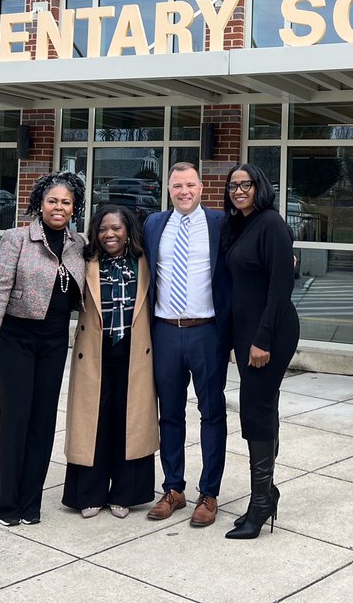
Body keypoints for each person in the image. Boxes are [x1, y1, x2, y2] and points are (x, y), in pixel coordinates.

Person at [0, 171, 86, 526]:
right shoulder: (17, 238)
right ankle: (8, 503)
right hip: (17, 339)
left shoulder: (78, 244)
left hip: (55, 342)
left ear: (74, 208)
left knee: (43, 420)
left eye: (66, 202)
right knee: (16, 419)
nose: (59, 207)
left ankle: (31, 502)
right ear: (40, 204)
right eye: (52, 200)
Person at [142, 162, 231, 528]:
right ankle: (174, 489)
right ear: (168, 189)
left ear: (201, 188)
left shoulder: (220, 223)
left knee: (211, 412)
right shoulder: (154, 224)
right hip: (164, 331)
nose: (183, 191)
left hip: (207, 331)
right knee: (169, 413)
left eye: (190, 185)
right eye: (177, 185)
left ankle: (209, 493)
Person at [62, 204, 157, 519]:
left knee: (128, 421)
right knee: (94, 422)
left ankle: (125, 495)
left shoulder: (144, 262)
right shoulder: (85, 260)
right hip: (94, 351)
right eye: (103, 229)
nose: (109, 234)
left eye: (116, 228)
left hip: (134, 351)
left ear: (128, 230)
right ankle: (89, 493)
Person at [220, 162, 299, 540]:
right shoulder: (239, 225)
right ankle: (265, 494)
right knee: (260, 406)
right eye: (233, 185)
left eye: (245, 184)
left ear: (259, 187)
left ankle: (262, 500)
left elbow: (281, 289)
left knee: (256, 409)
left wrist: (262, 340)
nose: (238, 191)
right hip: (248, 333)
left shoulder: (271, 224)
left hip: (271, 333)